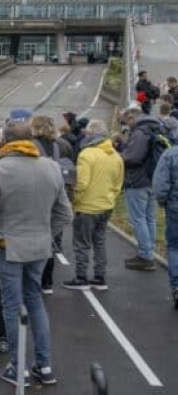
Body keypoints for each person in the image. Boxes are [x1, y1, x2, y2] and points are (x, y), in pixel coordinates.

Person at [0, 121, 72, 386]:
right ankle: (44, 365)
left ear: (4, 141)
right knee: (35, 301)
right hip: (39, 248)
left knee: (12, 306)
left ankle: (19, 369)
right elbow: (65, 213)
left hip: (7, 247)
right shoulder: (51, 167)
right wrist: (45, 235)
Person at [61, 119, 124, 291]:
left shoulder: (86, 154)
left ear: (90, 134)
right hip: (106, 205)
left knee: (82, 243)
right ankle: (99, 277)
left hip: (87, 206)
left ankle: (81, 277)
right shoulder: (116, 156)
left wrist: (74, 200)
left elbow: (82, 183)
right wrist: (110, 198)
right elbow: (118, 183)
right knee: (100, 241)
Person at [29, 115, 74, 294]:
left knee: (35, 237)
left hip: (38, 190)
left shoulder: (32, 145)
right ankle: (47, 281)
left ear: (37, 128)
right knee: (50, 240)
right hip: (56, 189)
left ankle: (36, 279)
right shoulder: (59, 145)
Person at [120, 106, 161, 271]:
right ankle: (149, 250)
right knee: (149, 218)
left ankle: (145, 256)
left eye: (126, 121)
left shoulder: (139, 132)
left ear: (132, 118)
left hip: (137, 181)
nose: (126, 125)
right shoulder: (154, 129)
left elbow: (133, 158)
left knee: (138, 219)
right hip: (152, 179)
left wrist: (120, 156)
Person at [152, 135, 178, 308]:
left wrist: (162, 201)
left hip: (175, 206)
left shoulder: (170, 154)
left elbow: (160, 183)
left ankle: (176, 285)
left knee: (174, 246)